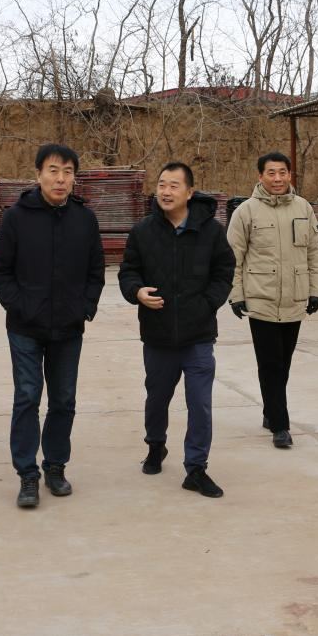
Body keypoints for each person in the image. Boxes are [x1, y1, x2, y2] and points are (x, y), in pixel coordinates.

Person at [0, 143, 105, 508]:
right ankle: (27, 474)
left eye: (68, 172)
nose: (61, 179)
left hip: (68, 328)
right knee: (27, 397)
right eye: (53, 171)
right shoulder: (16, 217)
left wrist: (84, 307)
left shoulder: (84, 219)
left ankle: (55, 466)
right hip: (25, 328)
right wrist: (21, 306)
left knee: (64, 400)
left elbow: (96, 271)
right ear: (38, 175)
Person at [119, 162, 235, 499]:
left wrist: (207, 304)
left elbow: (224, 271)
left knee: (199, 403)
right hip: (157, 335)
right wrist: (137, 292)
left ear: (189, 192)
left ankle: (196, 468)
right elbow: (128, 272)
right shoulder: (143, 231)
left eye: (174, 185)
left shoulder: (211, 232)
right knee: (157, 399)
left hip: (198, 335)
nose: (166, 191)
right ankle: (156, 445)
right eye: (162, 185)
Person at [226, 151, 318, 449]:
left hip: (294, 299)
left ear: (289, 175)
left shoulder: (304, 208)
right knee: (269, 364)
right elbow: (232, 257)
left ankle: (271, 411)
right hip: (261, 300)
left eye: (282, 172)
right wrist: (236, 295)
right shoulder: (246, 211)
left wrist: (316, 290)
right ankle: (281, 426)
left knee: (284, 363)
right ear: (260, 176)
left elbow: (314, 252)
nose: (277, 178)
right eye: (271, 173)